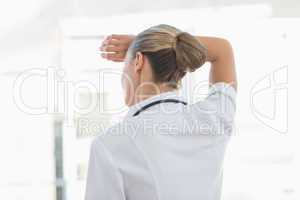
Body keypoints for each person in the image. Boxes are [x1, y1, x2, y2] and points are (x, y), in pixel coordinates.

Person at [85, 24, 237, 200]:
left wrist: (148, 46)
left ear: (138, 61)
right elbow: (222, 51)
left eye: (125, 65)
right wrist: (143, 44)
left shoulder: (109, 145)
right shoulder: (214, 117)